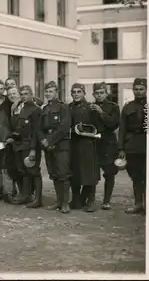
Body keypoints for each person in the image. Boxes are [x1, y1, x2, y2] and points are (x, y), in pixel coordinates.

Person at [38, 81, 71, 214]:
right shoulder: (44, 109)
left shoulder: (63, 107)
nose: (48, 94)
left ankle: (65, 203)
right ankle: (58, 201)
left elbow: (64, 127)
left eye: (51, 91)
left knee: (63, 174)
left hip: (61, 145)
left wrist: (50, 141)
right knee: (54, 174)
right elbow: (39, 128)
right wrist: (43, 141)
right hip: (48, 146)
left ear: (56, 92)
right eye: (46, 91)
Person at [7, 85, 42, 208]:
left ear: (31, 94)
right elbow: (19, 127)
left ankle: (38, 199)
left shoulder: (35, 110)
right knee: (23, 171)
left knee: (34, 171)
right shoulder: (20, 108)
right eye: (21, 94)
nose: (23, 96)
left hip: (29, 145)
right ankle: (26, 195)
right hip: (19, 145)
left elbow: (37, 131)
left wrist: (33, 149)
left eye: (26, 94)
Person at [69, 83, 101, 212]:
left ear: (84, 93)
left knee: (89, 174)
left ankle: (90, 200)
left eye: (79, 92)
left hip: (88, 144)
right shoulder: (68, 108)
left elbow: (98, 127)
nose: (76, 94)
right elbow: (65, 125)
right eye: (74, 92)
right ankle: (77, 200)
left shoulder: (91, 108)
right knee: (74, 172)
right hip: (73, 144)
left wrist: (86, 129)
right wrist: (74, 129)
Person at [118, 78, 147, 215]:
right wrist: (121, 148)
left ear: (146, 89)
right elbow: (122, 129)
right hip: (132, 146)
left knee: (148, 176)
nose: (138, 92)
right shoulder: (128, 107)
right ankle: (138, 204)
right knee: (136, 177)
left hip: (148, 146)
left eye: (141, 89)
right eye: (136, 89)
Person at [91, 82, 120, 210]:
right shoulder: (90, 107)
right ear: (93, 94)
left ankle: (106, 200)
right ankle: (90, 200)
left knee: (109, 173)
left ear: (106, 93)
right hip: (93, 143)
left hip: (108, 144)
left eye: (102, 93)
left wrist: (101, 112)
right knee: (92, 173)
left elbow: (113, 124)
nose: (99, 95)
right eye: (96, 93)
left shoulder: (114, 107)